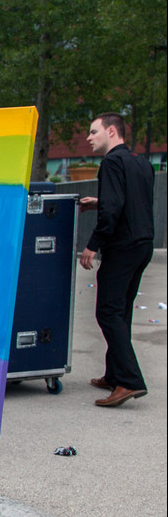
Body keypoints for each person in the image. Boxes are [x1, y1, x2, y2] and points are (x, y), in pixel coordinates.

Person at [78, 113, 156, 408]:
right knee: (121, 312)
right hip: (142, 245)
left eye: (93, 131)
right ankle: (114, 373)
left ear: (112, 131)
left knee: (108, 312)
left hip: (121, 247)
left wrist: (92, 246)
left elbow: (113, 212)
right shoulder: (141, 163)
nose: (88, 137)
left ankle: (130, 381)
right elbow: (130, 200)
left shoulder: (111, 163)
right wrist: (100, 202)